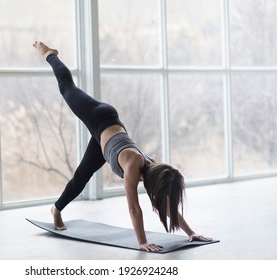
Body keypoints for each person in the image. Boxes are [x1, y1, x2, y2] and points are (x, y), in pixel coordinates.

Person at [33, 41, 212, 252]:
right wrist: (142, 242)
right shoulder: (133, 166)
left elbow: (167, 207)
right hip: (99, 116)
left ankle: (56, 209)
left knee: (80, 178)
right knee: (67, 88)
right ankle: (49, 55)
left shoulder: (152, 170)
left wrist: (191, 233)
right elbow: (134, 208)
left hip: (103, 143)